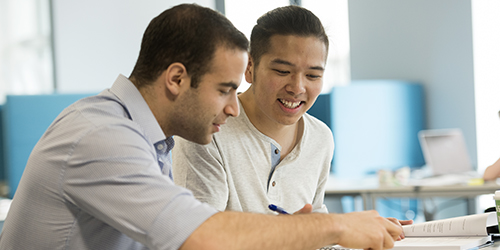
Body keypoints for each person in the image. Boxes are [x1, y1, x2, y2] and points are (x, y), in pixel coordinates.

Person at [0, 4, 403, 250]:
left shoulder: (145, 139)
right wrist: (331, 226)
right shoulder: (102, 138)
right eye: (225, 90)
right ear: (176, 79)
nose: (233, 108)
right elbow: (201, 237)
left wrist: (301, 232)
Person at [172, 5, 332, 214]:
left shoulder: (321, 138)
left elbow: (315, 223)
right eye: (282, 71)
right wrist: (292, 234)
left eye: (313, 76)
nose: (297, 88)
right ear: (249, 68)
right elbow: (200, 235)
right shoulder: (207, 133)